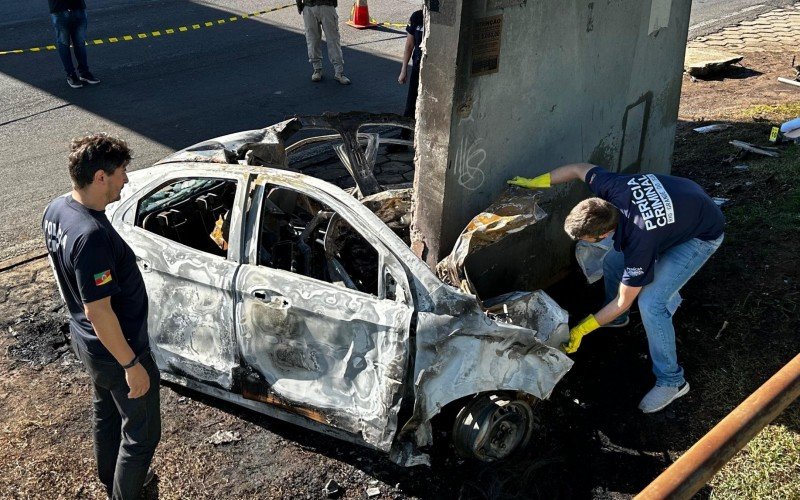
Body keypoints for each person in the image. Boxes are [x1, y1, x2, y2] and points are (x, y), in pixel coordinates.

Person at [508, 163, 724, 413]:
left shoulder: (639, 243)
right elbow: (578, 169)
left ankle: (672, 381)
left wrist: (581, 330)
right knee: (611, 262)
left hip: (700, 235)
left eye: (584, 240)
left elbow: (624, 300)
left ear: (607, 232)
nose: (581, 242)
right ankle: (616, 320)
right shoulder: (611, 188)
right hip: (683, 201)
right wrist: (536, 180)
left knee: (651, 303)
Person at [43, 134, 160, 498]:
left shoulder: (57, 209)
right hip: (116, 349)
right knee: (141, 436)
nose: (126, 178)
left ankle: (109, 479)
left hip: (89, 346)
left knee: (107, 415)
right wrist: (131, 364)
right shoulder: (91, 235)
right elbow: (99, 311)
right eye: (121, 171)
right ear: (100, 177)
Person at [49, 0, 100, 88]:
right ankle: (71, 74)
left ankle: (84, 72)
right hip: (60, 10)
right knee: (64, 44)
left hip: (79, 8)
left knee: (80, 43)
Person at [297, 0, 350, 84]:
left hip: (326, 5)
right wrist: (299, 5)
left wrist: (332, 4)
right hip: (308, 7)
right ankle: (317, 69)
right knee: (312, 40)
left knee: (333, 40)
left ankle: (339, 72)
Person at [397, 9, 423, 142]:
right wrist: (404, 70)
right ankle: (404, 137)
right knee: (410, 105)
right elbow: (409, 45)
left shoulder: (440, 16)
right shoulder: (417, 16)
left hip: (434, 68)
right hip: (418, 67)